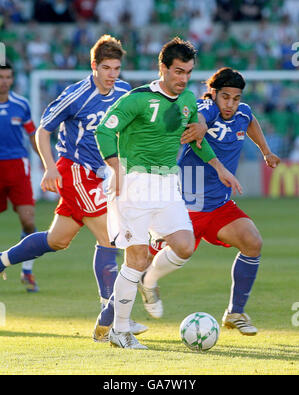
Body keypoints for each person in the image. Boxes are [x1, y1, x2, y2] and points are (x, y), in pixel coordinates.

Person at [95, 38, 242, 349]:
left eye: (188, 72)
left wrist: (219, 167)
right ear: (162, 68)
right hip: (133, 184)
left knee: (185, 245)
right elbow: (104, 131)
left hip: (167, 185)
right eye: (177, 71)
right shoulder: (137, 99)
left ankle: (149, 281)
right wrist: (115, 168)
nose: (183, 78)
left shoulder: (187, 99)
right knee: (137, 258)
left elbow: (195, 138)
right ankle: (119, 330)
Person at [0, 35, 147, 339]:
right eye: (106, 68)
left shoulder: (123, 90)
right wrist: (50, 166)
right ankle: (113, 318)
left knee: (57, 240)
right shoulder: (77, 94)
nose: (112, 75)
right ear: (94, 66)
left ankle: (1, 261)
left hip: (100, 175)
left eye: (117, 68)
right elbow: (43, 132)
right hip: (75, 171)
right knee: (111, 239)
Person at [142, 67, 281, 335]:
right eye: (225, 97)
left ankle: (235, 313)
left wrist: (266, 151)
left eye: (236, 98)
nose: (230, 104)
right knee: (164, 256)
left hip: (218, 205)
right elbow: (200, 123)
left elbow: (250, 120)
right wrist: (205, 126)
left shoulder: (243, 112)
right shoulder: (204, 108)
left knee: (253, 242)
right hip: (187, 203)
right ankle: (147, 283)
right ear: (214, 93)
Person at [0, 62, 39, 292]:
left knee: (29, 221)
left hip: (17, 167)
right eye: (1, 77)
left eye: (7, 77)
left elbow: (33, 134)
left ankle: (27, 271)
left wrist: (47, 163)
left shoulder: (21, 105)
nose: (4, 81)